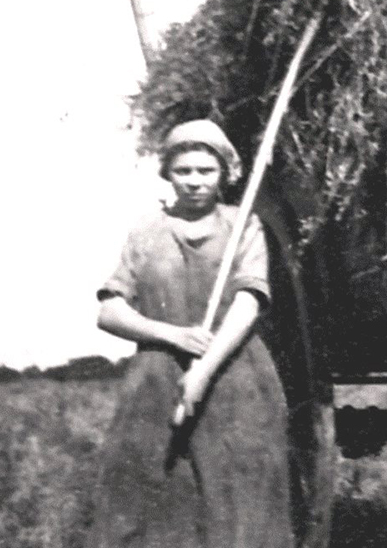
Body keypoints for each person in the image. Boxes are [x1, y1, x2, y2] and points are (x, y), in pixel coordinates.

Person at [90, 119, 293, 548]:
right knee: (146, 492)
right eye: (184, 171)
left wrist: (202, 372)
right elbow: (109, 312)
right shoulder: (146, 231)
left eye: (206, 171)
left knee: (238, 499)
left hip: (235, 379)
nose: (195, 182)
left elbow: (249, 302)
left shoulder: (243, 226)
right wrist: (172, 335)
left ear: (224, 175)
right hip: (155, 382)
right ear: (167, 173)